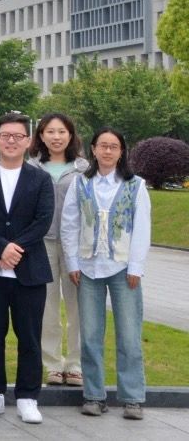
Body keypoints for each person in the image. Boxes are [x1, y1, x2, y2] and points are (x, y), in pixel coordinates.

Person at [0, 112, 54, 425]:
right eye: (5, 135)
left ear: (28, 141)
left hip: (29, 271)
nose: (11, 141)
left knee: (29, 337)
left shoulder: (40, 179)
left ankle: (28, 397)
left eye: (18, 136)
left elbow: (43, 220)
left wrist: (14, 249)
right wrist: (0, 247)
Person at [62, 127, 151, 421]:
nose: (108, 151)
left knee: (129, 336)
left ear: (121, 151)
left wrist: (136, 266)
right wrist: (72, 262)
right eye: (103, 145)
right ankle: (94, 395)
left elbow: (142, 228)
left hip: (123, 269)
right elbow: (70, 223)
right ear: (94, 149)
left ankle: (133, 398)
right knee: (90, 336)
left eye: (114, 146)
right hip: (88, 268)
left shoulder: (135, 185)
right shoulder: (81, 183)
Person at [29, 112, 88, 387]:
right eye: (50, 132)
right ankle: (52, 364)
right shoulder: (31, 167)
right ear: (41, 135)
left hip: (76, 245)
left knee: (78, 307)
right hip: (42, 243)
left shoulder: (84, 169)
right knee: (47, 307)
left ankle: (75, 364)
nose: (56, 137)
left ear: (71, 135)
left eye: (62, 132)